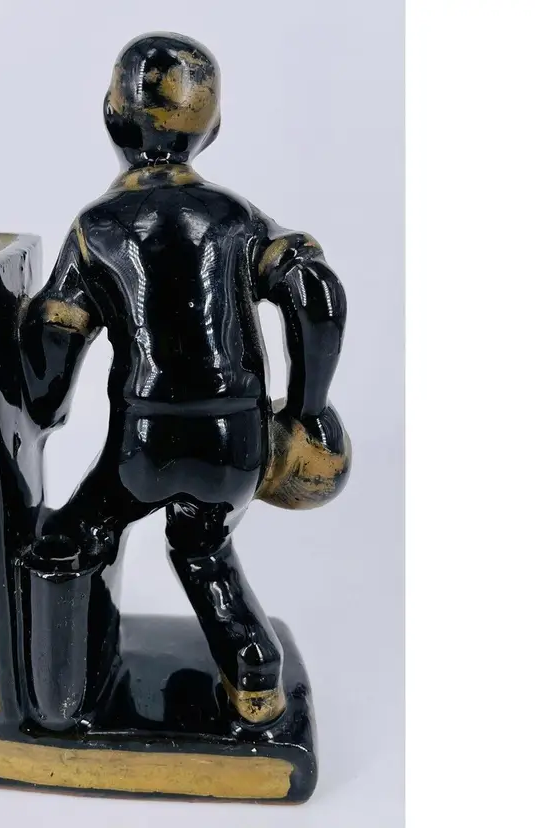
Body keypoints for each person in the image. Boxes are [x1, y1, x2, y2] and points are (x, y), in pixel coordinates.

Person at [20, 32, 347, 726]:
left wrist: (40, 394)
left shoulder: (97, 228)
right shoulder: (238, 218)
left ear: (110, 118)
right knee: (202, 548)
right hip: (236, 441)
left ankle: (57, 702)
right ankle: (255, 678)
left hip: (145, 442)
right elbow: (314, 289)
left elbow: (55, 337)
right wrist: (310, 409)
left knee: (73, 535)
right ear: (213, 128)